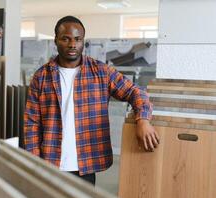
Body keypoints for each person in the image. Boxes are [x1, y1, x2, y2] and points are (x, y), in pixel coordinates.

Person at [24, 15, 159, 185]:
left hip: (86, 162)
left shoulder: (101, 72)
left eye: (78, 39)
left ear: (83, 41)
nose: (73, 44)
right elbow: (32, 123)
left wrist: (143, 120)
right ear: (56, 40)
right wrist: (34, 162)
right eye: (66, 39)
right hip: (50, 161)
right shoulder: (41, 76)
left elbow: (135, 92)